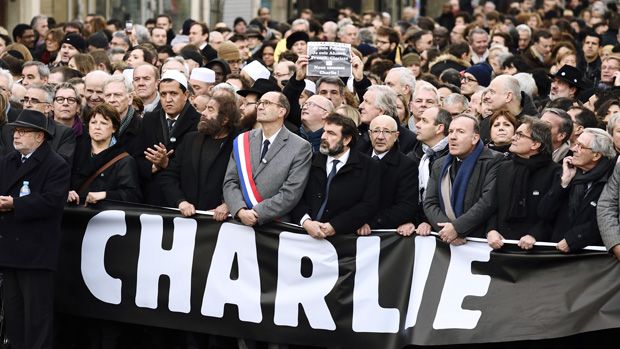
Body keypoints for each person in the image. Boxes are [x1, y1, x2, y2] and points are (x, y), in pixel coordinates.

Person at [0, 109, 71, 349]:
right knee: (14, 315)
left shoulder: (55, 164)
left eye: (23, 131)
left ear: (39, 137)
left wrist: (16, 204)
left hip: (37, 253)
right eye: (15, 131)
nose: (16, 135)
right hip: (10, 250)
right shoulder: (8, 160)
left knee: (37, 318)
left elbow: (52, 202)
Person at [223, 91, 312, 225]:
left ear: (281, 111)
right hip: (239, 222)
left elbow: (290, 194)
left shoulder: (300, 147)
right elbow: (230, 181)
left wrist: (257, 213)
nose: (259, 107)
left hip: (274, 226)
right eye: (259, 103)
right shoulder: (243, 140)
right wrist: (240, 210)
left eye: (267, 103)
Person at [292, 113, 380, 238]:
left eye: (331, 133)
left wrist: (335, 225)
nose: (323, 137)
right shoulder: (311, 160)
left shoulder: (369, 166)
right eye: (324, 131)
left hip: (343, 241)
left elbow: (368, 205)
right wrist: (306, 222)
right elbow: (295, 194)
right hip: (304, 235)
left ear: (346, 140)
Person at [423, 115, 503, 242]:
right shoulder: (439, 164)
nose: (453, 136)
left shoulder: (495, 160)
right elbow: (430, 202)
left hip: (479, 240)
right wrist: (447, 231)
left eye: (460, 132)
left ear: (475, 138)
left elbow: (487, 202)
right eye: (450, 131)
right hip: (447, 240)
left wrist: (457, 228)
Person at [160, 94, 239, 219]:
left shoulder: (239, 144)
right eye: (205, 108)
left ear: (225, 120)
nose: (203, 113)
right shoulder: (190, 140)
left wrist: (229, 204)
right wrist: (180, 201)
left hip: (220, 222)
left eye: (210, 110)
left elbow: (245, 182)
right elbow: (169, 176)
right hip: (185, 219)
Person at [487, 117, 560, 250]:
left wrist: (534, 235)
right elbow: (493, 204)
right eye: (515, 133)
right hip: (500, 246)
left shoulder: (555, 172)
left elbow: (554, 211)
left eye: (520, 135)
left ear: (535, 144)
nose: (513, 137)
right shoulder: (504, 167)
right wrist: (491, 230)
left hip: (534, 251)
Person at [541, 128, 616, 252]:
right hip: (556, 252)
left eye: (580, 146)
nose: (573, 149)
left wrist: (572, 239)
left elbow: (606, 219)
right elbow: (544, 212)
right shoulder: (565, 172)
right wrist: (564, 182)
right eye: (575, 144)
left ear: (596, 155)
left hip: (592, 258)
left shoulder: (612, 180)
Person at [138, 70, 200, 205]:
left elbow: (197, 166)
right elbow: (137, 157)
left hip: (184, 200)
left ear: (186, 95)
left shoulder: (199, 122)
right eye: (163, 94)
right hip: (152, 197)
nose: (168, 99)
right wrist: (154, 165)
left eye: (173, 94)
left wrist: (166, 164)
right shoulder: (149, 119)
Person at [67, 103, 141, 205]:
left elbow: (132, 195)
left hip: (104, 216)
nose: (97, 127)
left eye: (103, 123)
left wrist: (105, 195)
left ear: (114, 128)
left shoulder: (123, 159)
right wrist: (66, 193)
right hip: (74, 214)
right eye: (93, 122)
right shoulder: (75, 151)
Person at [359, 114, 418, 235]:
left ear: (396, 136)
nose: (380, 137)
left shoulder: (406, 165)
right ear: (369, 134)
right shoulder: (357, 158)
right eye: (376, 131)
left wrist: (370, 223)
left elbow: (406, 206)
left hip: (383, 231)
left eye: (386, 132)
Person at [358, 85, 417, 154]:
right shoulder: (358, 132)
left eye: (367, 102)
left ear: (381, 111)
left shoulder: (409, 141)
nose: (360, 106)